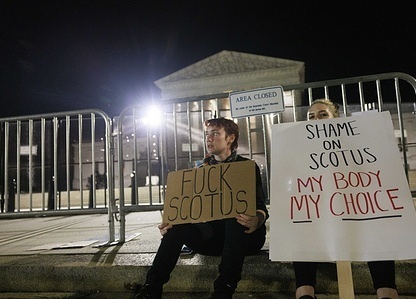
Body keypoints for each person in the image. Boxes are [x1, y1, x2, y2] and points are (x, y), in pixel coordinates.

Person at [135, 117, 269, 299]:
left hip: (244, 236)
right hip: (213, 239)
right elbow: (190, 210)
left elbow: (261, 206)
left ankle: (224, 290)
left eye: (215, 134)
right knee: (176, 228)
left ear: (230, 138)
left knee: (235, 216)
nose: (209, 139)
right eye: (207, 134)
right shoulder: (199, 171)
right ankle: (151, 287)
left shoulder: (246, 166)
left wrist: (256, 220)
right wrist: (173, 220)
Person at [293, 99, 398, 299]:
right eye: (311, 117)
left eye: (323, 114)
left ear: (336, 118)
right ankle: (305, 292)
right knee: (300, 224)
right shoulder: (298, 152)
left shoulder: (356, 145)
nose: (317, 120)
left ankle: (386, 292)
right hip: (320, 219)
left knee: (378, 223)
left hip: (355, 216)